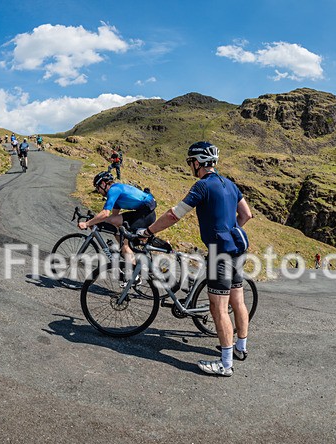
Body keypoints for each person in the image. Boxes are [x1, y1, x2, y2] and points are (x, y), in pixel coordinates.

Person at [137, 141, 253, 377]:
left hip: (220, 253)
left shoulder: (202, 186)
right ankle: (240, 348)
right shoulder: (230, 184)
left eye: (191, 162)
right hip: (237, 249)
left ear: (198, 162)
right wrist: (229, 231)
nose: (191, 166)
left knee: (217, 308)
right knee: (237, 301)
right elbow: (246, 214)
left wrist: (148, 232)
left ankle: (226, 364)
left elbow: (173, 214)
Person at [78, 171, 157, 264]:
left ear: (103, 184)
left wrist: (87, 223)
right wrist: (94, 221)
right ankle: (126, 249)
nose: (98, 191)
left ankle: (135, 275)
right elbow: (113, 217)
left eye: (97, 187)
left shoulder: (113, 190)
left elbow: (105, 213)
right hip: (142, 213)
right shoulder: (117, 190)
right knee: (113, 222)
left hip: (145, 216)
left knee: (125, 246)